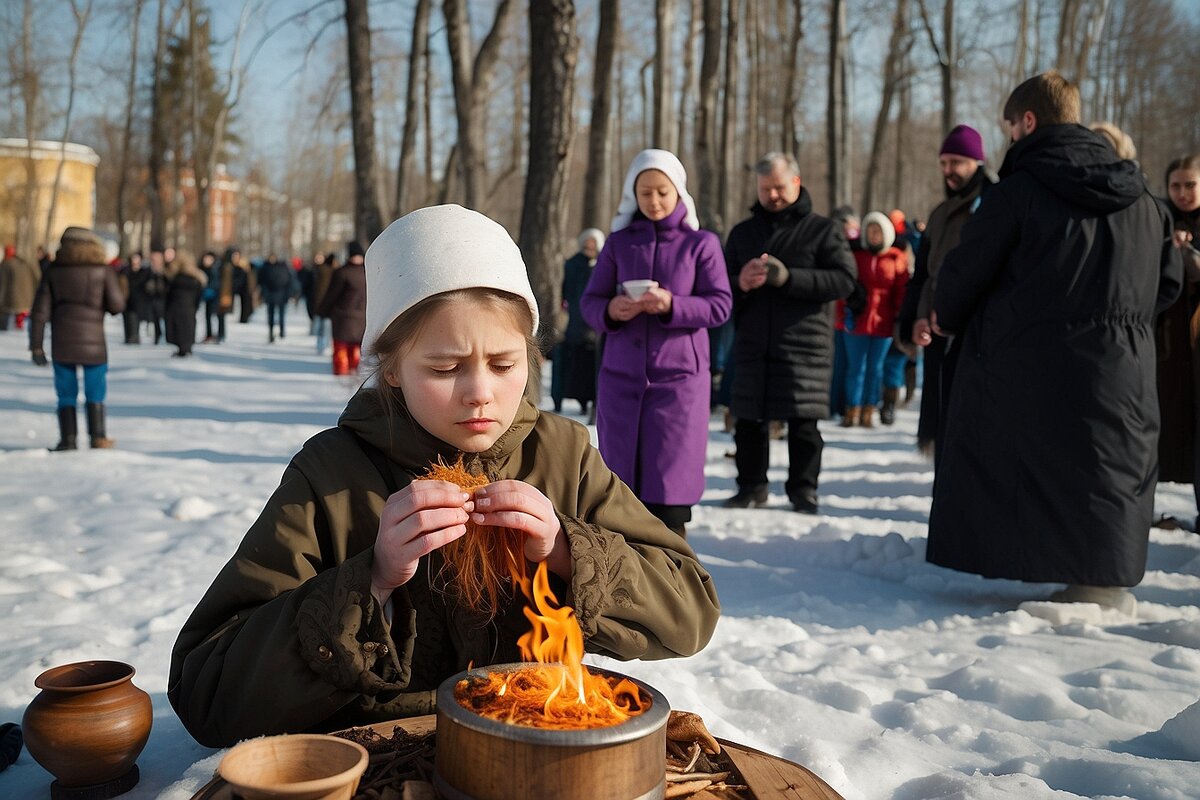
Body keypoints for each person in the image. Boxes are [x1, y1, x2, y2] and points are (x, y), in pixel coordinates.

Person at [167, 204, 720, 747]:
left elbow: (691, 612)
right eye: (444, 368)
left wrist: (567, 552)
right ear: (391, 367)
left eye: (505, 365)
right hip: (379, 759)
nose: (480, 391)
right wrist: (372, 580)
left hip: (532, 747)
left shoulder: (564, 455)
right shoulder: (331, 475)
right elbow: (207, 691)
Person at [926, 71, 1182, 610]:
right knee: (1106, 464)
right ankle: (1102, 580)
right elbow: (1170, 283)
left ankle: (1071, 577)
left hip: (1034, 362)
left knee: (1047, 466)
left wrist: (951, 317)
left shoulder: (1018, 193)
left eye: (1010, 129)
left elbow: (963, 274)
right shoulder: (1145, 199)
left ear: (1028, 121)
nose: (1009, 142)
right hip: (1125, 363)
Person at [580, 149, 732, 536]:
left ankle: (674, 578)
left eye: (662, 192)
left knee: (669, 490)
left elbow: (720, 305)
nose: (654, 201)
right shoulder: (618, 243)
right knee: (620, 491)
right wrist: (613, 309)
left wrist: (672, 305)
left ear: (678, 191)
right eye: (645, 193)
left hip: (679, 381)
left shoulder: (701, 244)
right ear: (633, 194)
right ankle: (622, 577)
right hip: (622, 378)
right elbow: (590, 304)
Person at [721, 152, 857, 513]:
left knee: (803, 423)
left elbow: (845, 280)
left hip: (804, 343)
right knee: (748, 419)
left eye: (779, 187)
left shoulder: (822, 230)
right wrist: (741, 283)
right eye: (766, 189)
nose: (773, 196)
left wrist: (789, 278)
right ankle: (751, 485)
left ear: (796, 182)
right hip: (753, 341)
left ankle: (803, 488)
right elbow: (720, 286)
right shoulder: (743, 233)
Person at [897, 124, 997, 459]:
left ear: (977, 163)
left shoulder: (995, 205)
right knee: (943, 429)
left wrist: (955, 308)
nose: (948, 171)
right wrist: (917, 317)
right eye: (943, 163)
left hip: (977, 337)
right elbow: (924, 275)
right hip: (938, 335)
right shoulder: (939, 214)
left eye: (957, 162)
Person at [28, 227, 126, 450]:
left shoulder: (54, 271)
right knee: (96, 390)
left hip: (63, 343)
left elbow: (39, 313)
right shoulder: (102, 271)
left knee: (65, 393)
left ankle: (68, 439)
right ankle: (98, 436)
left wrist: (36, 347)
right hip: (94, 345)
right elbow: (118, 306)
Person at [1156, 154, 1200, 530]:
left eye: (1191, 185)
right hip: (1168, 347)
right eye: (1176, 186)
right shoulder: (1158, 220)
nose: (1183, 193)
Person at [838, 212, 908, 428]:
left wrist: (901, 316)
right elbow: (844, 285)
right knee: (855, 368)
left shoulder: (896, 257)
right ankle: (852, 409)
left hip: (883, 323)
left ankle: (870, 408)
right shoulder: (856, 254)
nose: (874, 235)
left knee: (876, 368)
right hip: (857, 320)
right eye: (870, 230)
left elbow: (902, 290)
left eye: (878, 230)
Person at [552, 228, 604, 416]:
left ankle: (590, 402)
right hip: (576, 322)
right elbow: (566, 291)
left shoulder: (602, 265)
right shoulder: (572, 265)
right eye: (587, 243)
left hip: (595, 326)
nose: (589, 247)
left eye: (593, 244)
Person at [316, 241, 367, 375]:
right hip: (362, 318)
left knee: (341, 349)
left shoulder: (342, 273)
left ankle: (341, 375)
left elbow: (331, 295)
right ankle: (354, 371)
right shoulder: (368, 273)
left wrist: (322, 311)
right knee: (357, 348)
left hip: (342, 318)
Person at [164, 249, 206, 358]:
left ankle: (182, 348)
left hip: (176, 307)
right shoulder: (196, 278)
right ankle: (186, 348)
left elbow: (167, 293)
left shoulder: (174, 278)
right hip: (189, 307)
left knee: (179, 328)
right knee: (188, 328)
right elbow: (199, 294)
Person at [258, 252, 298, 343]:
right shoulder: (265, 268)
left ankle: (282, 331)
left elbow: (290, 281)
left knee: (281, 315)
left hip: (282, 295)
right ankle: (271, 332)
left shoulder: (283, 267)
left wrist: (289, 293)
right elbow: (261, 282)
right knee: (271, 315)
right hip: (270, 295)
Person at [0, 244, 41, 331]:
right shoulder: (25, 263)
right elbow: (36, 277)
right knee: (21, 312)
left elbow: (3, 282)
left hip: (12, 296)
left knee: (6, 313)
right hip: (27, 296)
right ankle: (19, 325)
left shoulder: (6, 264)